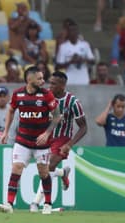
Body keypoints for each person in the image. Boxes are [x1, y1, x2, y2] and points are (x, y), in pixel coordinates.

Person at [0, 66, 61, 215]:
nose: (43, 81)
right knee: (16, 168)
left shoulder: (47, 95)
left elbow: (57, 116)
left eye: (43, 78)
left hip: (41, 143)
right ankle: (9, 204)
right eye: (39, 78)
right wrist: (5, 131)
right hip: (23, 140)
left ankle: (48, 204)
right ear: (29, 79)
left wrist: (47, 133)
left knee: (43, 173)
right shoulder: (18, 94)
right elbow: (11, 110)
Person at [29, 71, 88, 212]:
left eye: (54, 84)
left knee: (48, 167)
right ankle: (62, 173)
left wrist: (70, 144)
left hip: (63, 138)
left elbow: (84, 127)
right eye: (50, 82)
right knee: (44, 168)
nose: (50, 86)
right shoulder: (44, 98)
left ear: (62, 85)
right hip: (46, 137)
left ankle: (35, 203)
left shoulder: (73, 102)